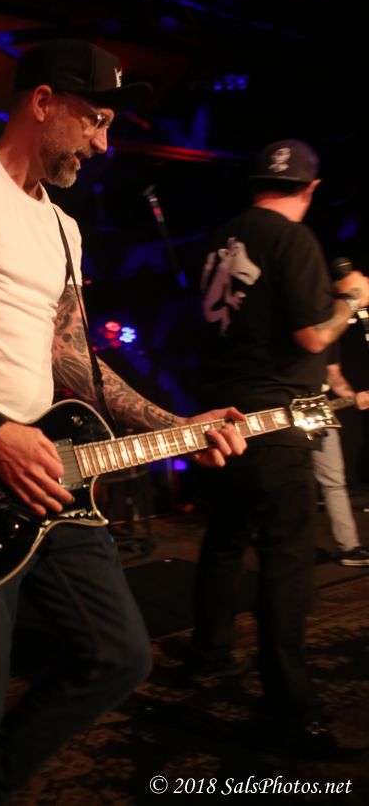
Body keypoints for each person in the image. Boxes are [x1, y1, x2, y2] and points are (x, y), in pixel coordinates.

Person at [0, 38, 246, 806]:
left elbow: (72, 360)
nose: (103, 144)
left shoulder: (64, 230)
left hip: (48, 470)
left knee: (118, 658)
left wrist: (179, 423)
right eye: (95, 120)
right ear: (42, 102)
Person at [185, 139, 369, 756]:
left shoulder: (220, 238)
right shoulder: (294, 240)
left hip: (219, 417)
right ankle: (288, 711)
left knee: (224, 539)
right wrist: (352, 299)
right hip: (273, 420)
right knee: (285, 562)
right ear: (310, 189)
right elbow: (313, 336)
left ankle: (208, 655)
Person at [314, 344, 369, 566]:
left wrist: (352, 397)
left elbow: (333, 375)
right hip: (280, 412)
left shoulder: (329, 337)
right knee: (287, 482)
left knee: (334, 481)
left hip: (318, 411)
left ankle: (349, 547)